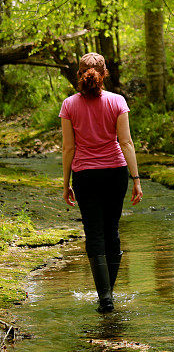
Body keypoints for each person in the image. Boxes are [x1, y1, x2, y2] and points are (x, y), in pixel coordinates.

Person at [60, 53, 143, 313]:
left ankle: (104, 297)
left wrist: (65, 183)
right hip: (115, 172)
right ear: (104, 73)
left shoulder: (69, 105)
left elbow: (68, 148)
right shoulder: (117, 101)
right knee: (112, 230)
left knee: (94, 233)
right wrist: (136, 179)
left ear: (79, 74)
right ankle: (109, 293)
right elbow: (126, 143)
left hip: (85, 175)